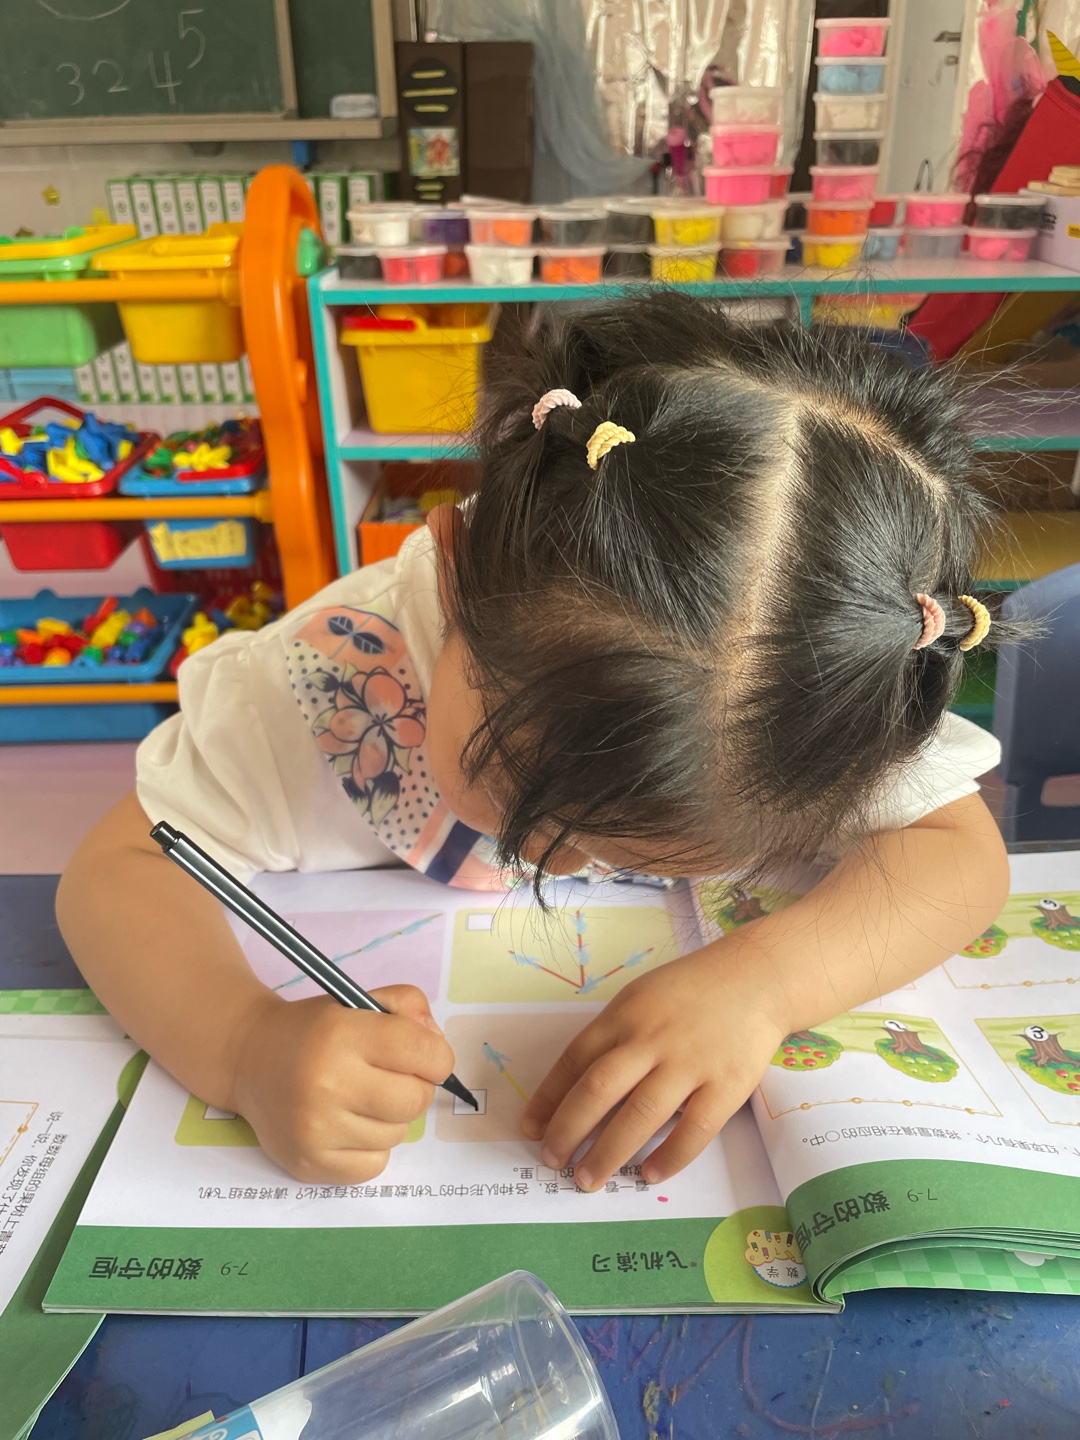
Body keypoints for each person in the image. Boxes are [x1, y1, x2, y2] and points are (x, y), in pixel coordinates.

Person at [58, 291, 1011, 1190]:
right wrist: (242, 1045)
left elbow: (956, 854)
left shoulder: (811, 695)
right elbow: (118, 869)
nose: (556, 861)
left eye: (634, 846)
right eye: (518, 789)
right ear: (453, 575)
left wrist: (765, 983)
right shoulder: (325, 684)